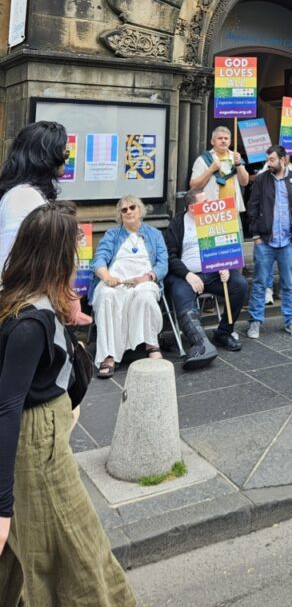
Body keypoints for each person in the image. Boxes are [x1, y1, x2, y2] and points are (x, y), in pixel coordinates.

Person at [0, 201, 136, 605]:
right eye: (72, 253)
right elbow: (7, 409)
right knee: (78, 547)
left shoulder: (18, 299)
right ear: (55, 258)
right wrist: (2, 506)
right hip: (38, 447)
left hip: (42, 437)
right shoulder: (29, 323)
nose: (78, 261)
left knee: (27, 554)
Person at [0, 120, 91, 324]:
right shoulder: (24, 197)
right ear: (46, 156)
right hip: (25, 309)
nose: (66, 158)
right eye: (64, 152)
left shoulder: (28, 194)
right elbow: (17, 261)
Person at [165, 189, 248, 362]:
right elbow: (170, 256)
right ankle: (199, 341)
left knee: (239, 285)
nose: (209, 204)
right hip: (186, 275)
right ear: (192, 207)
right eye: (204, 202)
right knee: (180, 294)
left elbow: (225, 245)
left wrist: (225, 265)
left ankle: (224, 332)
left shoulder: (214, 218)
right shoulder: (178, 223)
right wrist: (187, 274)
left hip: (213, 272)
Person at [89, 196, 168, 377]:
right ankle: (109, 355)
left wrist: (149, 276)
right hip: (116, 281)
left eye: (132, 207)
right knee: (107, 296)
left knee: (145, 295)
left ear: (140, 210)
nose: (129, 211)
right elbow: (99, 259)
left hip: (144, 281)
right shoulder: (112, 234)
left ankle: (151, 343)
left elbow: (163, 263)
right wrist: (107, 277)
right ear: (120, 215)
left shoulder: (155, 234)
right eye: (124, 210)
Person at [246, 145, 292, 339]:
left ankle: (291, 321)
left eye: (272, 159)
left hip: (288, 241)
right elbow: (252, 208)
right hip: (265, 242)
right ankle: (255, 321)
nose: (268, 163)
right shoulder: (262, 179)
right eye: (268, 159)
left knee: (289, 284)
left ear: (283, 159)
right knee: (259, 283)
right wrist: (255, 235)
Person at [257, 156, 292, 305]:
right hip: (269, 229)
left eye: (286, 158)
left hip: (288, 229)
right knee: (266, 264)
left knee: (287, 266)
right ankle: (267, 290)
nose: (283, 160)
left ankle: (283, 291)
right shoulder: (265, 173)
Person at [189, 126, 249, 211]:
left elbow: (244, 182)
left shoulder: (236, 157)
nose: (223, 141)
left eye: (226, 138)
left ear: (230, 142)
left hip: (232, 209)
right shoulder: (202, 159)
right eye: (220, 138)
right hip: (211, 210)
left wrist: (239, 164)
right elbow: (193, 186)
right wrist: (211, 169)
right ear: (212, 141)